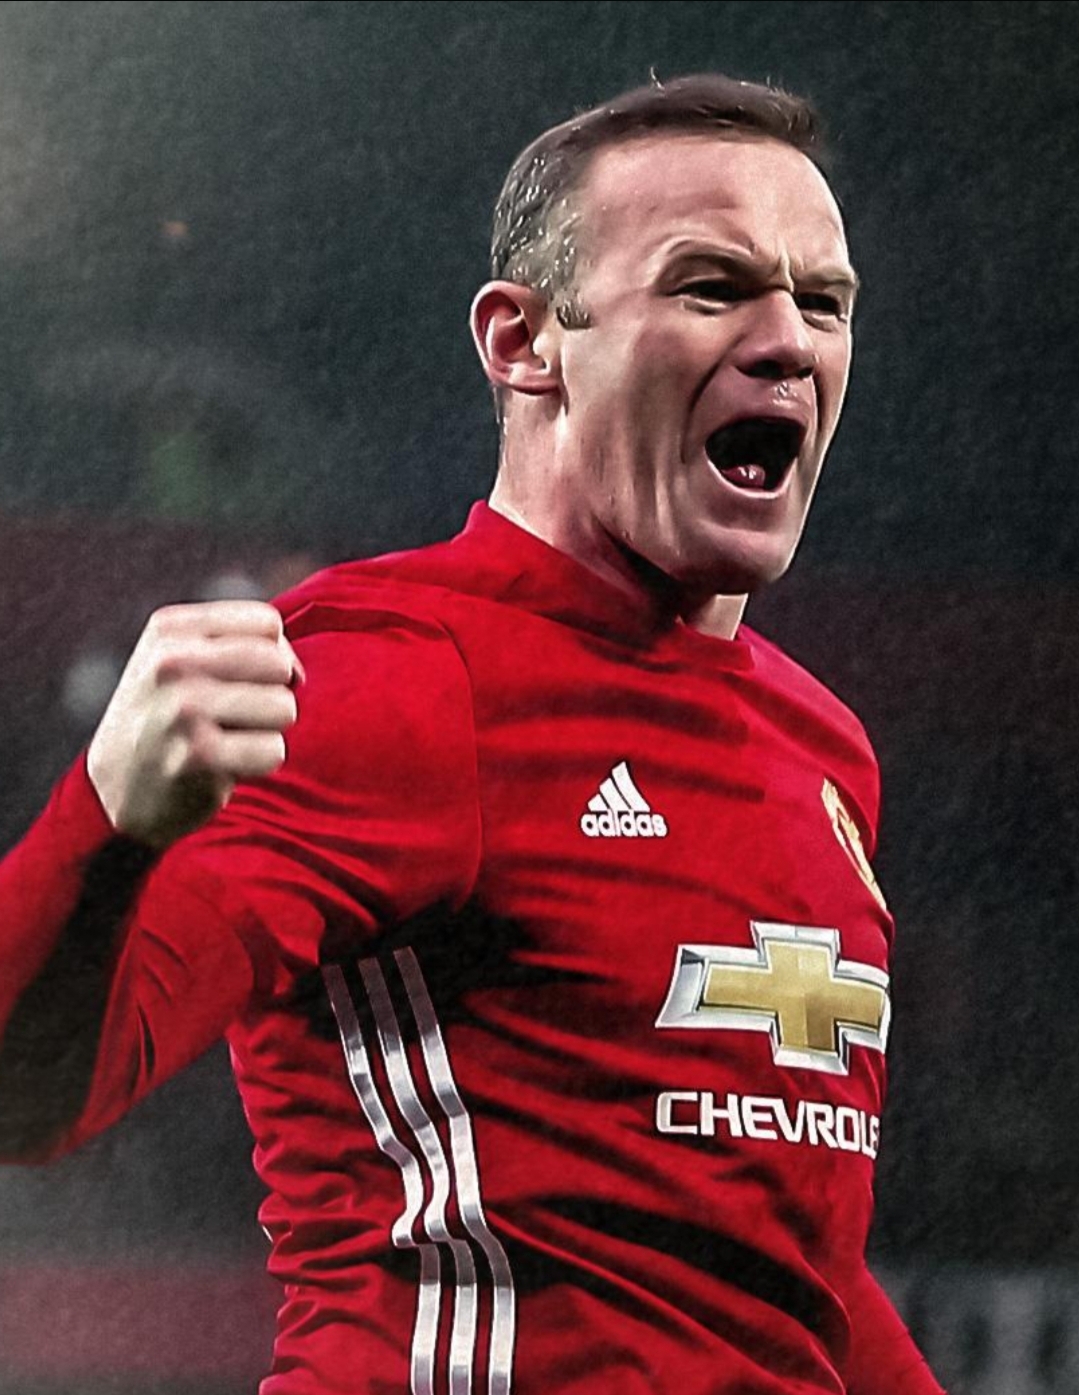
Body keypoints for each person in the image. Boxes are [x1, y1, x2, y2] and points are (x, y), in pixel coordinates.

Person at [0, 74, 944, 1394]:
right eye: (711, 287)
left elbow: (779, 1268)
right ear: (524, 340)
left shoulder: (822, 749)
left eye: (825, 303)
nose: (789, 341)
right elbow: (24, 1097)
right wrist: (108, 815)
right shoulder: (392, 681)